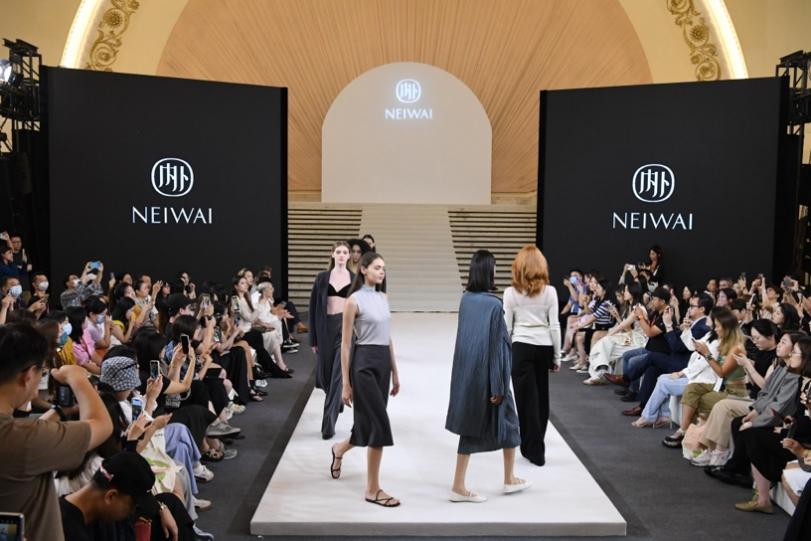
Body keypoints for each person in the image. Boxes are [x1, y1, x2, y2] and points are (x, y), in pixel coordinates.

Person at [0, 323, 113, 541]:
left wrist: (60, 411)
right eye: (41, 372)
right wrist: (78, 378)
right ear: (28, 375)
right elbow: (102, 425)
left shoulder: (19, 435)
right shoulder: (24, 439)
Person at [445, 250, 529, 503]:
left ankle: (507, 478)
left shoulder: (466, 299)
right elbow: (497, 348)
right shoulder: (493, 304)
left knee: (503, 424)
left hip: (469, 374)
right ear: (487, 272)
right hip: (490, 377)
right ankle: (461, 486)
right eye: (492, 267)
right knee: (490, 427)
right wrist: (499, 385)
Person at [330, 252, 401, 507]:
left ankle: (340, 449)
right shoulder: (353, 301)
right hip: (363, 366)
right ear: (363, 269)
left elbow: (387, 336)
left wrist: (395, 371)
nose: (382, 271)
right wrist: (345, 384)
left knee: (368, 423)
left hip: (382, 363)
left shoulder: (383, 298)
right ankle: (372, 489)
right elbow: (346, 345)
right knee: (379, 424)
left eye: (384, 268)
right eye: (377, 267)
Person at [503, 245, 559, 466]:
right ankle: (536, 445)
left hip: (521, 346)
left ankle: (531, 447)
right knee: (542, 398)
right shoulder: (550, 292)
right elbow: (554, 326)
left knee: (525, 400)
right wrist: (557, 356)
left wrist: (506, 353)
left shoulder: (510, 293)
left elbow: (507, 328)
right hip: (544, 346)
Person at [59, 452, 164, 540]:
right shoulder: (65, 532)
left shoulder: (90, 516)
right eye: (132, 506)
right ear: (111, 496)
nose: (131, 512)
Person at [309, 241, 354, 439]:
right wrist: (313, 339)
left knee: (338, 373)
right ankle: (336, 401)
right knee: (327, 375)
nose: (342, 255)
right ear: (332, 254)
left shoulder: (354, 279)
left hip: (345, 327)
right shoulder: (322, 278)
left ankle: (328, 425)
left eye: (345, 252)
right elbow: (313, 307)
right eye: (338, 252)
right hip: (325, 327)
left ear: (349, 256)